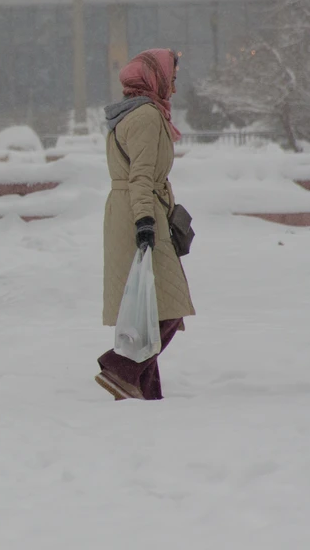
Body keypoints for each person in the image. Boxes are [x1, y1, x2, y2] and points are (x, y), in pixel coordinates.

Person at [96, 49, 196, 400]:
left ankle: (144, 390)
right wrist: (145, 222)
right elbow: (140, 177)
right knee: (169, 307)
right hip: (139, 212)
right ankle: (119, 368)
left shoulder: (126, 114)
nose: (175, 86)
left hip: (130, 210)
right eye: (172, 78)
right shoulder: (147, 116)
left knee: (148, 307)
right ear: (157, 78)